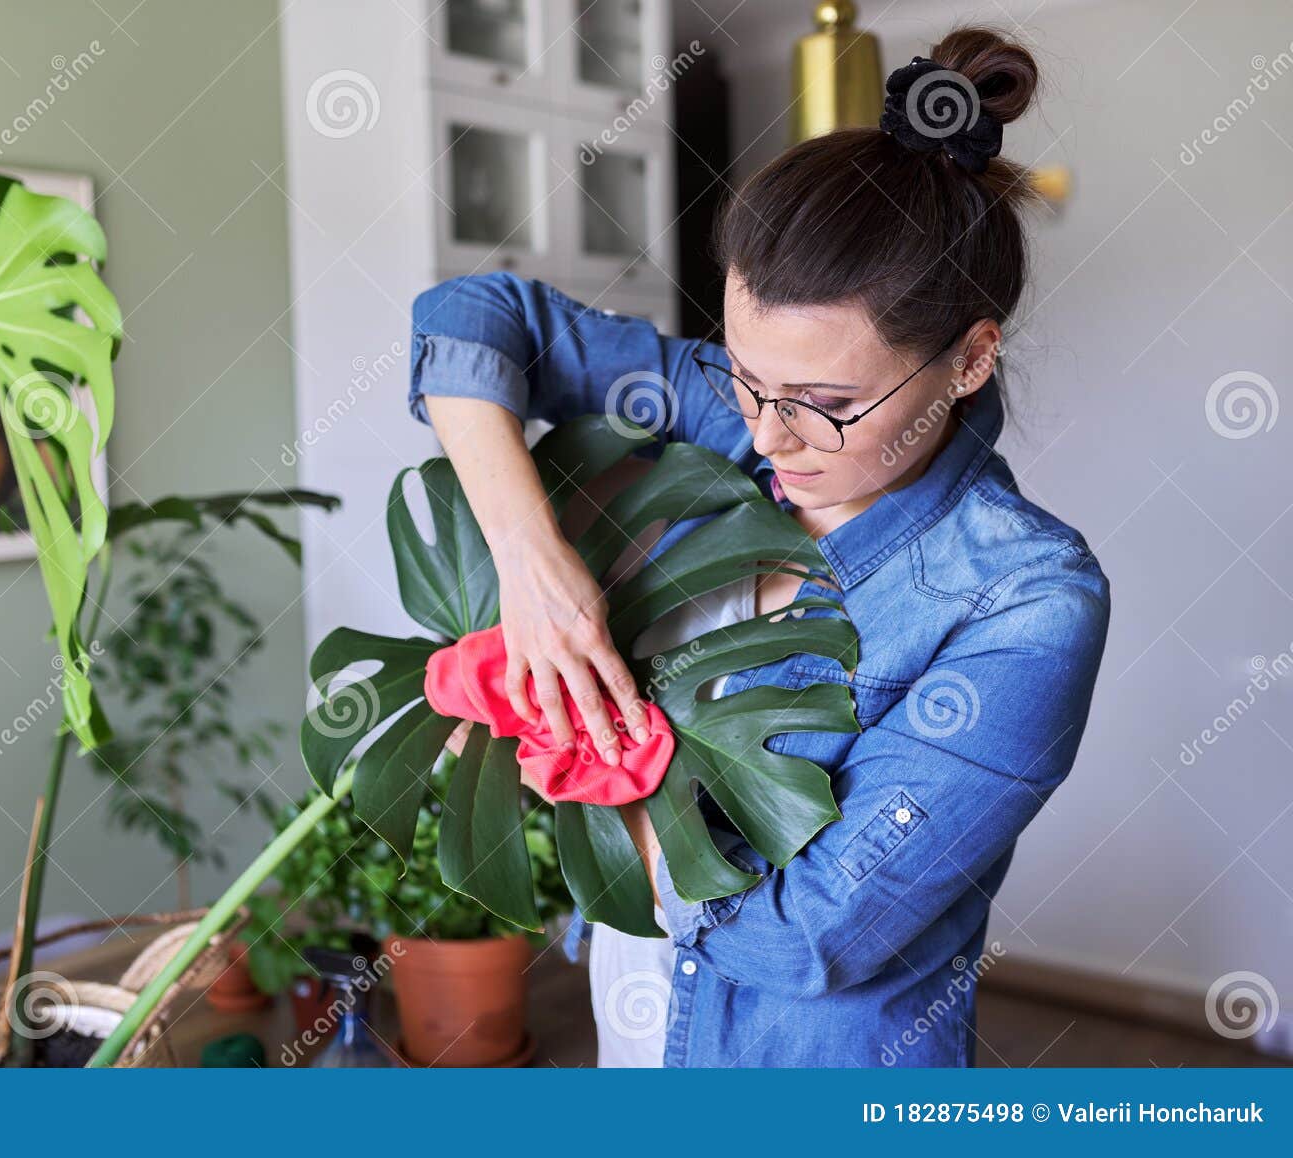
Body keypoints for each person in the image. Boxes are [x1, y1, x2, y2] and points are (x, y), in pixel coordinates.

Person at [407, 27, 1110, 1067]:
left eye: (826, 403)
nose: (770, 435)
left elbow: (809, 934)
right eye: (742, 373)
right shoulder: (727, 414)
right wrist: (530, 564)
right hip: (637, 1033)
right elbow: (471, 317)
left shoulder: (1024, 602)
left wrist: (558, 757)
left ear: (968, 359)